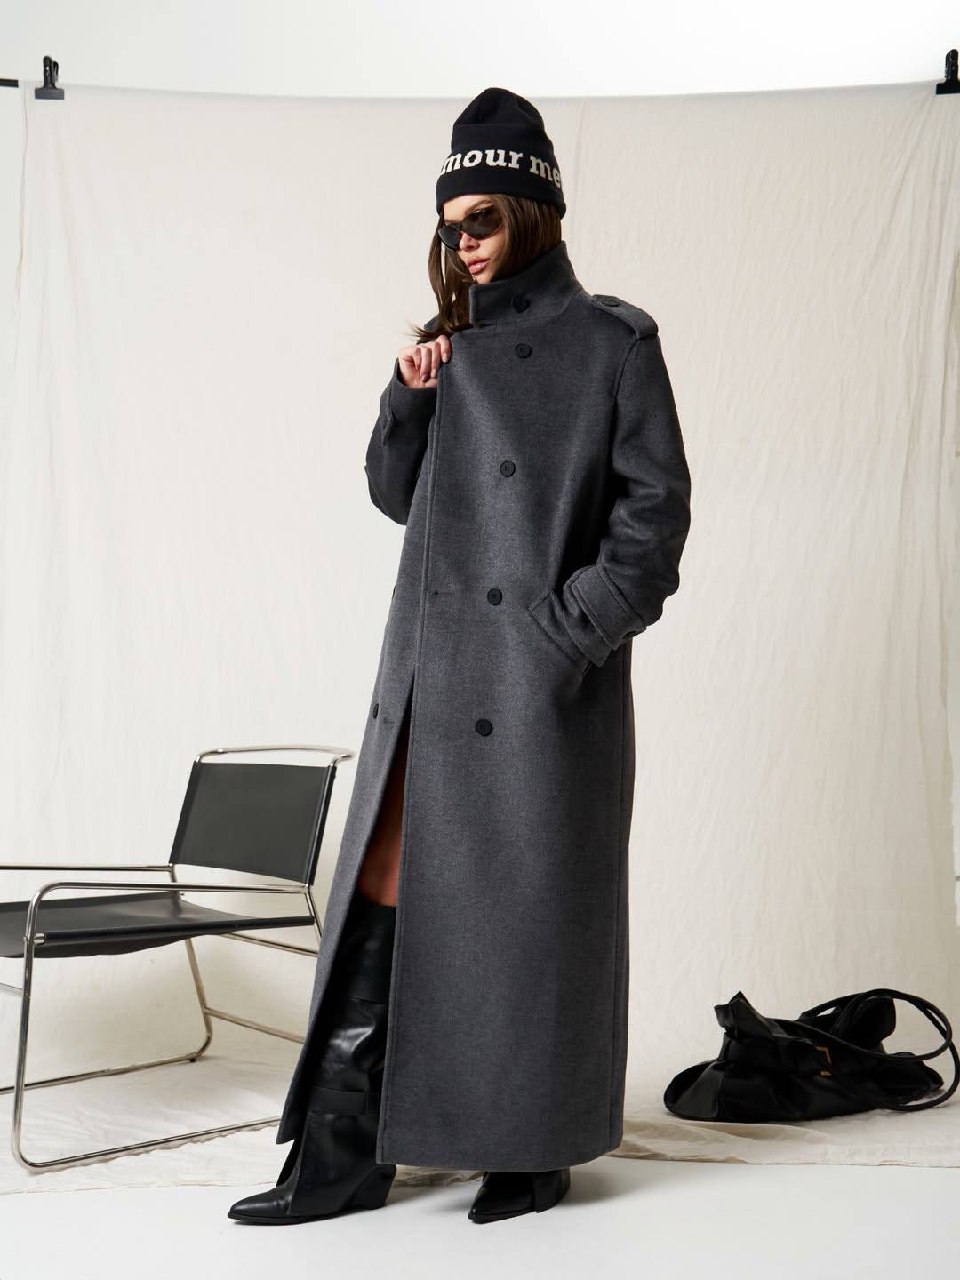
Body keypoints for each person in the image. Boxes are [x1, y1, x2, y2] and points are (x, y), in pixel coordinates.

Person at [229, 85, 692, 1227]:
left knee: (532, 915)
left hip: (541, 694)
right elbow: (399, 500)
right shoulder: (452, 348)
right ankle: (343, 1152)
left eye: (482, 220)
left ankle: (529, 1148)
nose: (465, 245)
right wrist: (408, 397)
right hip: (431, 678)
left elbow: (654, 523)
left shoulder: (613, 345)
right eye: (450, 227)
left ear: (534, 213)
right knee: (385, 884)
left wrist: (562, 637)